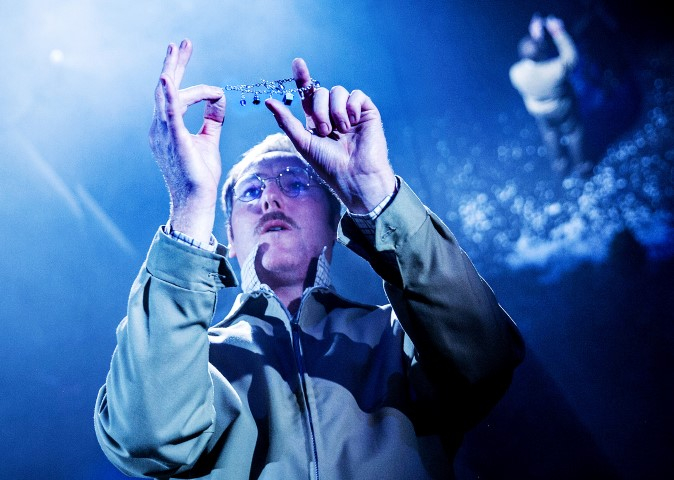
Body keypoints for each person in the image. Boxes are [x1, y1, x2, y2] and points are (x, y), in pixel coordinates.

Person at [94, 38, 525, 480]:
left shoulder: (397, 340)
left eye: (296, 183)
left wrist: (375, 190)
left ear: (334, 216)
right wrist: (188, 206)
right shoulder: (191, 362)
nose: (270, 199)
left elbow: (487, 360)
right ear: (230, 236)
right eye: (251, 191)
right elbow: (144, 438)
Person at [509, 13, 591, 176]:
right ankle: (581, 166)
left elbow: (531, 56)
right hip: (561, 108)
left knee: (549, 134)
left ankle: (559, 165)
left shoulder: (515, 72)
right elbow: (570, 57)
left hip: (538, 110)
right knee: (573, 132)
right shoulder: (555, 70)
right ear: (541, 53)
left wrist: (535, 37)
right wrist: (558, 32)